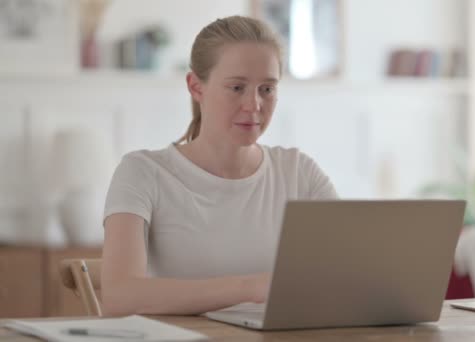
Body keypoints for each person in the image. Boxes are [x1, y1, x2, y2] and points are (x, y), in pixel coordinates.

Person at [101, 16, 338, 316]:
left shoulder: (301, 173)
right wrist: (252, 289)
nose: (254, 105)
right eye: (237, 87)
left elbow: (344, 278)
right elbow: (119, 297)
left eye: (267, 89)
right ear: (196, 87)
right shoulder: (142, 173)